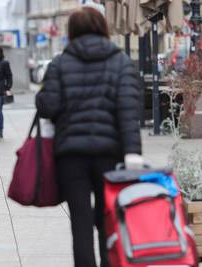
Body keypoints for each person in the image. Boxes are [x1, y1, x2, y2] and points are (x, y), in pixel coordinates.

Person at [36, 8, 142, 267]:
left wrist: (44, 92)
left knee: (80, 222)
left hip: (71, 156)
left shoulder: (60, 63)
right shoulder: (121, 62)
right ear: (103, 27)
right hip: (111, 154)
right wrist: (133, 152)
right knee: (109, 219)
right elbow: (129, 112)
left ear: (71, 31)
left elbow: (47, 107)